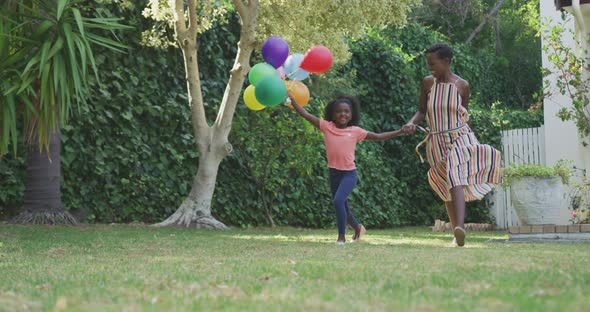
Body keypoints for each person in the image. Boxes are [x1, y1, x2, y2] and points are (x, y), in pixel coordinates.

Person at [402, 43, 502, 247]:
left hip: (459, 136)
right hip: (436, 140)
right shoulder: (428, 83)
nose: (430, 67)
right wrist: (412, 123)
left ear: (446, 62)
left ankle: (460, 227)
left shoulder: (462, 85)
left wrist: (471, 142)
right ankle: (457, 236)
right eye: (428, 64)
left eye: (434, 63)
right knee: (444, 182)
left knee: (455, 173)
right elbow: (421, 111)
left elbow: (464, 114)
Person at [289, 94, 402, 245]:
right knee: (343, 206)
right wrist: (292, 99)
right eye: (339, 111)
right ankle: (357, 227)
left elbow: (379, 136)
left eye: (346, 111)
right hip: (333, 173)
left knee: (338, 201)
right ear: (333, 114)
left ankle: (341, 237)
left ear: (351, 114)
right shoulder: (327, 127)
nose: (343, 114)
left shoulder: (356, 131)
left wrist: (400, 131)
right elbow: (305, 114)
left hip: (349, 174)